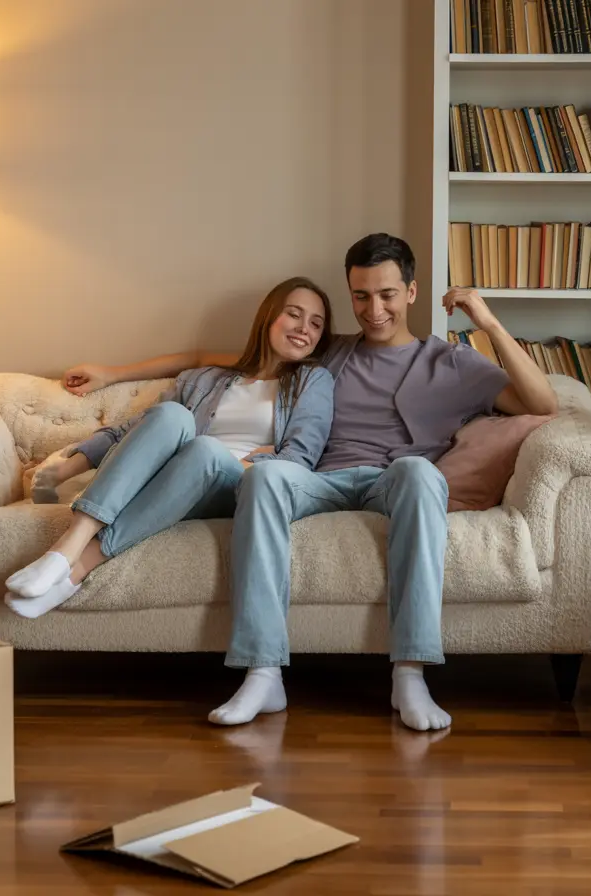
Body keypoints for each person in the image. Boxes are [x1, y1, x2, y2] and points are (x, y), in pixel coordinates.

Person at [63, 234, 557, 731]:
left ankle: (410, 673)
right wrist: (111, 374)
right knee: (267, 476)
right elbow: (211, 357)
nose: (374, 310)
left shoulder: (452, 363)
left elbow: (543, 404)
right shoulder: (330, 352)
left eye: (387, 294)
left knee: (420, 472)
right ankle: (263, 672)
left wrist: (488, 323)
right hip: (318, 481)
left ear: (411, 292)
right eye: (361, 296)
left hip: (395, 481)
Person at [3, 276, 335, 620]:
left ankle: (77, 567)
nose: (304, 329)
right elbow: (137, 429)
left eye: (316, 324)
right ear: (269, 316)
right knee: (172, 415)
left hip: (235, 486)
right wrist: (70, 465)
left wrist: (254, 463)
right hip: (175, 473)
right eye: (294, 314)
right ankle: (66, 548)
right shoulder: (206, 378)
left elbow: (298, 459)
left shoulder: (314, 381)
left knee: (204, 450)